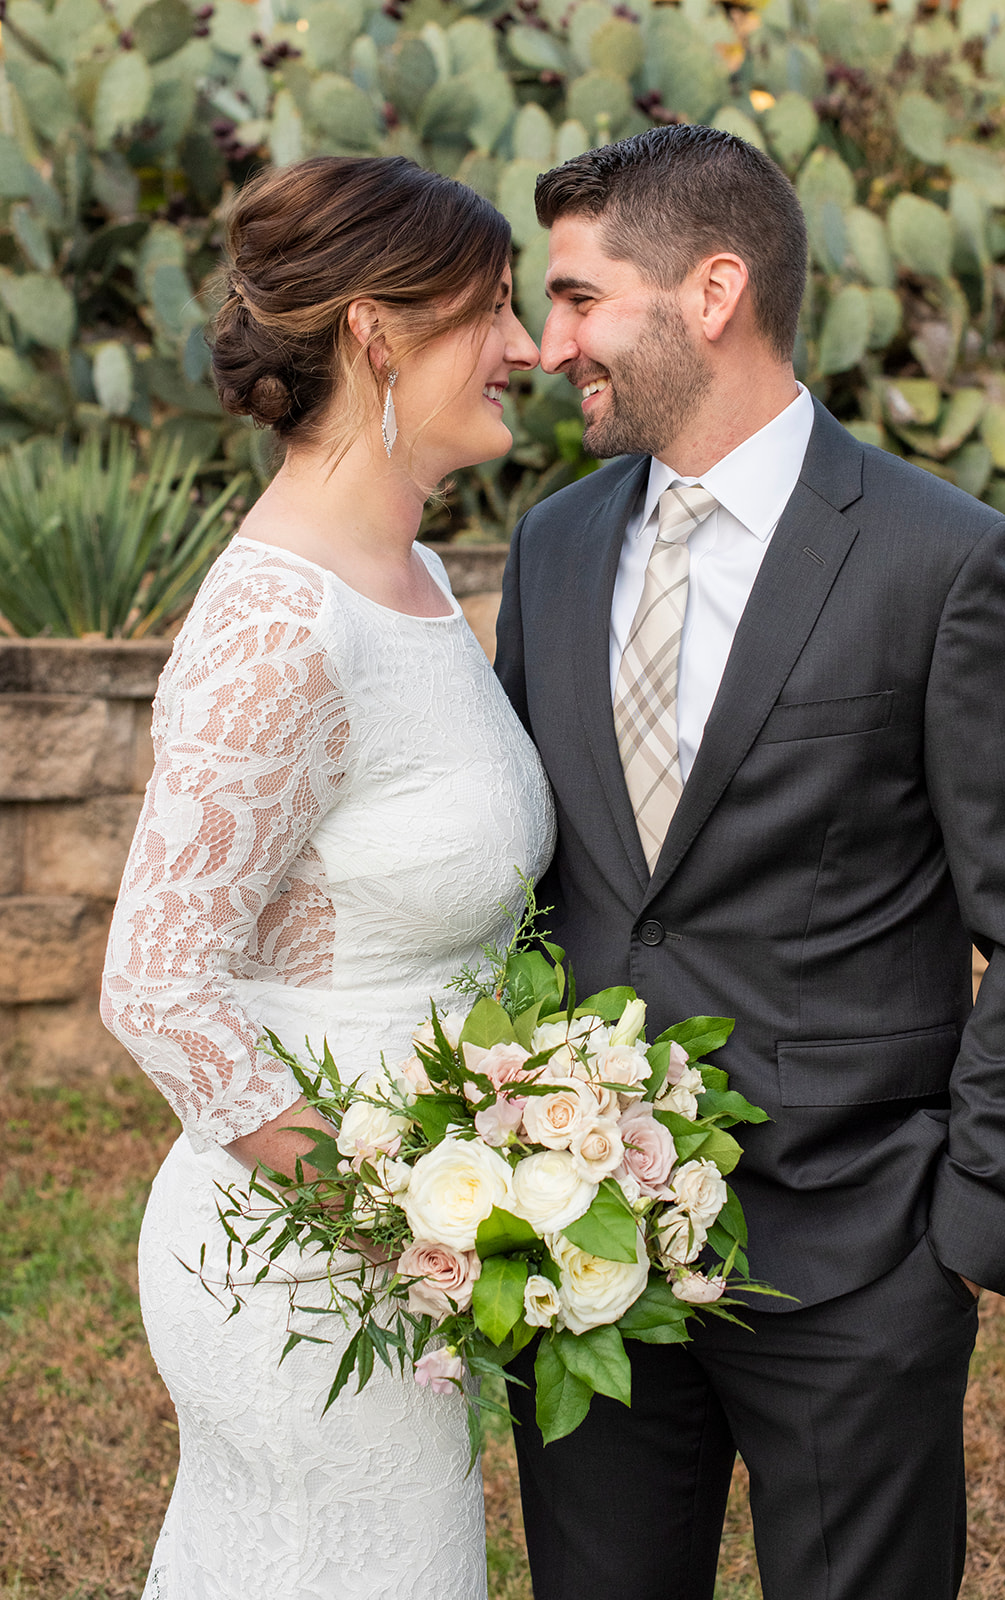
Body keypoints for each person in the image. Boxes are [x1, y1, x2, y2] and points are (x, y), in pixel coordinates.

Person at [494, 124, 1005, 1600]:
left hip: (859, 1256)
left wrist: (968, 1228)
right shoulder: (552, 548)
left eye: (577, 297)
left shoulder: (948, 564)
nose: (550, 345)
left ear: (713, 290)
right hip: (586, 1256)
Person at [101, 154, 552, 1599]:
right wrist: (396, 1218)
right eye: (490, 308)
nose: (528, 345)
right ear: (376, 334)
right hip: (301, 1275)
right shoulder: (279, 627)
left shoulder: (410, 581)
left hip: (392, 1255)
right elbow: (156, 985)